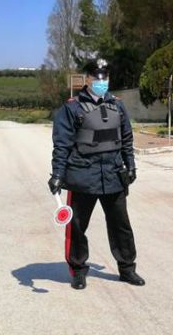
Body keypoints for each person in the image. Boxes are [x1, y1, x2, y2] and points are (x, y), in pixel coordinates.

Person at [48, 59, 144, 290]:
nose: (102, 81)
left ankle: (127, 269)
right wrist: (58, 174)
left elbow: (127, 139)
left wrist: (130, 166)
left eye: (105, 77)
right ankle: (78, 270)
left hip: (113, 174)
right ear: (88, 79)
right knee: (78, 226)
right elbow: (62, 145)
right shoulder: (71, 108)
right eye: (97, 77)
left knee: (121, 225)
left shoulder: (118, 106)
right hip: (83, 176)